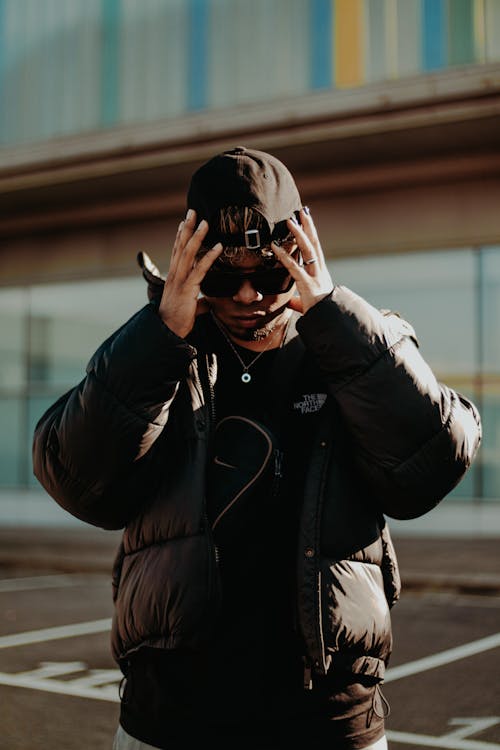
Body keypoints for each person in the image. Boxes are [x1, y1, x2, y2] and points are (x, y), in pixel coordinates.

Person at [33, 146, 481, 750]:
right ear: (189, 265)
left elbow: (432, 463)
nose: (249, 296)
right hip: (174, 715)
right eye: (224, 277)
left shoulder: (351, 347)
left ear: (300, 256)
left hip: (326, 719)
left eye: (268, 273)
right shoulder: (159, 355)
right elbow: (76, 478)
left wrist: (334, 319)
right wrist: (161, 336)